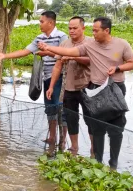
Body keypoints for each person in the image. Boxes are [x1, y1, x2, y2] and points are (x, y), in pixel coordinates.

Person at [37, 17, 133, 169]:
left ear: (107, 31)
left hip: (115, 89)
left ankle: (113, 163)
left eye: (96, 31)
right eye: (93, 30)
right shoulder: (90, 45)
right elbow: (69, 51)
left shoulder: (121, 44)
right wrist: (48, 48)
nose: (94, 33)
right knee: (97, 128)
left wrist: (117, 69)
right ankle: (97, 162)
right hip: (95, 89)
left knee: (116, 128)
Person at [0, 11, 68, 152]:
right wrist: (4, 56)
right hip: (46, 77)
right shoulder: (39, 38)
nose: (40, 24)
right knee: (50, 108)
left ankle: (63, 140)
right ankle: (52, 137)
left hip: (59, 78)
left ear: (50, 23)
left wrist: (47, 52)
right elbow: (25, 51)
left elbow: (65, 55)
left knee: (60, 108)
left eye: (41, 21)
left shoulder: (62, 36)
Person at [46, 16, 93, 156]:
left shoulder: (91, 43)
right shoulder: (65, 44)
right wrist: (51, 86)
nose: (71, 31)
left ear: (83, 28)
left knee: (90, 118)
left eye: (75, 28)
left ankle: (93, 149)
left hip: (88, 87)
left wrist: (73, 57)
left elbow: (90, 61)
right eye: (70, 28)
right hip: (69, 87)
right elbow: (57, 66)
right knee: (71, 118)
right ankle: (74, 147)